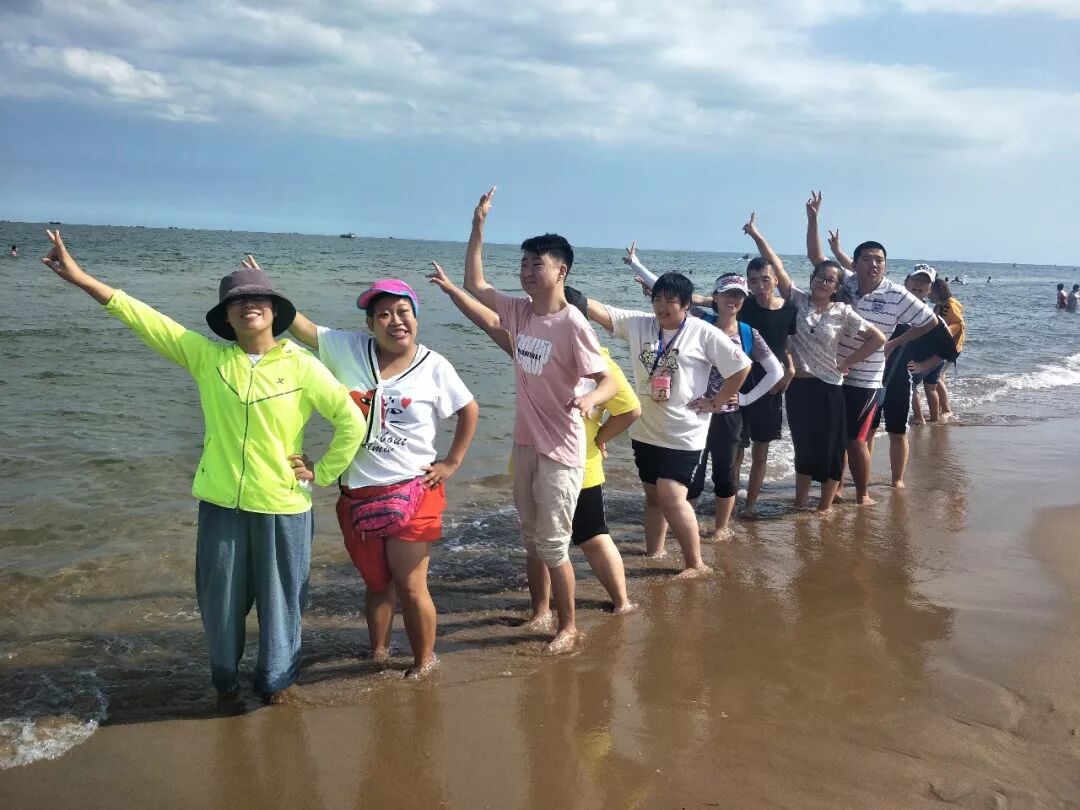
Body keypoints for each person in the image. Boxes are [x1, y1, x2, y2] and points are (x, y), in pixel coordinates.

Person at [39, 231, 365, 705]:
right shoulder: (208, 358)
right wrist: (82, 279)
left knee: (282, 604)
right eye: (237, 301)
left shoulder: (304, 365)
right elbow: (146, 319)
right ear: (226, 317)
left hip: (282, 507)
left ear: (275, 310)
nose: (248, 305)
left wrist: (324, 470)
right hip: (220, 506)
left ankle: (275, 683)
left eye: (258, 298)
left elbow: (351, 421)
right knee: (220, 603)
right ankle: (226, 683)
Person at [281, 263, 479, 678]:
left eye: (403, 312)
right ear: (370, 324)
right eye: (383, 314)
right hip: (357, 492)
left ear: (416, 318)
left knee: (410, 585)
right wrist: (265, 293)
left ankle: (424, 662)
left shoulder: (434, 366)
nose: (395, 321)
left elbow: (468, 409)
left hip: (416, 490)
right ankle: (379, 654)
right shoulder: (348, 349)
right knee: (375, 584)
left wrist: (451, 462)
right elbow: (302, 328)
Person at [428, 262, 640, 614]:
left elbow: (630, 409)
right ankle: (541, 611)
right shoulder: (533, 346)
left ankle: (621, 602)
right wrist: (453, 291)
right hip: (532, 454)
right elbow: (490, 322)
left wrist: (600, 438)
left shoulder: (599, 360)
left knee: (591, 535)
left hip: (579, 463)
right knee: (539, 542)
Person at [463, 187, 617, 654]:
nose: (527, 272)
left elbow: (608, 380)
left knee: (553, 544)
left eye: (537, 265)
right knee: (530, 540)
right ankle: (539, 612)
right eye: (524, 265)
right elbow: (475, 284)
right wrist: (478, 226)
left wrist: (589, 399)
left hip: (561, 451)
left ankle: (569, 626)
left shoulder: (573, 323)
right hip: (526, 444)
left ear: (561, 271)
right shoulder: (520, 310)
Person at [578, 254, 752, 567]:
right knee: (654, 497)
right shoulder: (640, 324)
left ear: (686, 304)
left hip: (684, 433)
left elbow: (741, 366)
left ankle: (695, 564)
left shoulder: (702, 332)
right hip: (645, 431)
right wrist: (568, 294)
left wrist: (716, 401)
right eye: (657, 299)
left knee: (672, 495)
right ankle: (654, 552)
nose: (661, 306)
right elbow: (603, 312)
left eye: (670, 300)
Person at [806, 191, 937, 505]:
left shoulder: (897, 295)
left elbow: (930, 321)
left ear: (885, 265)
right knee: (836, 436)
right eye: (867, 259)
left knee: (856, 439)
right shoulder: (847, 283)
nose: (874, 264)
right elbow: (816, 258)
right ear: (855, 263)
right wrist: (813, 219)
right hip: (833, 372)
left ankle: (863, 495)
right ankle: (837, 488)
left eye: (879, 260)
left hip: (866, 379)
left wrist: (894, 343)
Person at [758, 228, 887, 512]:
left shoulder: (843, 312)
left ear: (836, 287)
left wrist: (846, 363)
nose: (823, 283)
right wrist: (757, 235)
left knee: (831, 450)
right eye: (820, 277)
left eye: (830, 280)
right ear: (812, 279)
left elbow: (878, 338)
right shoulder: (797, 300)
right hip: (799, 388)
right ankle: (799, 504)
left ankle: (824, 509)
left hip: (829, 387)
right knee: (803, 448)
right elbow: (776, 266)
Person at [736, 213, 799, 515]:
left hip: (771, 388)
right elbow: (704, 301)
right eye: (753, 281)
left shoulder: (789, 309)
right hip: (739, 383)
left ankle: (749, 506)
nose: (760, 286)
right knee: (735, 451)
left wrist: (790, 369)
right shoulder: (743, 305)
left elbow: (786, 344)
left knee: (760, 453)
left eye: (765, 279)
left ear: (775, 280)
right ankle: (728, 503)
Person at [909, 276, 965, 424]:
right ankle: (938, 411)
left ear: (938, 292)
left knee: (937, 378)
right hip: (941, 347)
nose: (928, 295)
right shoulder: (939, 306)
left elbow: (958, 324)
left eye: (931, 292)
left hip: (949, 347)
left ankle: (946, 410)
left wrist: (942, 334)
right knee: (936, 379)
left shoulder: (950, 304)